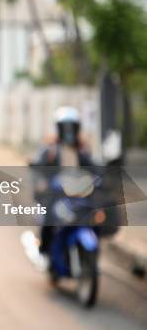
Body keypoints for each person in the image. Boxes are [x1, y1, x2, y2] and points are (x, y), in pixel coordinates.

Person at [32, 106, 95, 255]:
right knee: (48, 217)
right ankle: (44, 250)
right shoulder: (50, 150)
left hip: (79, 192)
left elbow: (94, 167)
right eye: (65, 127)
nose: (69, 131)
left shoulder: (82, 149)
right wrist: (42, 182)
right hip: (56, 194)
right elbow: (38, 168)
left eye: (71, 127)